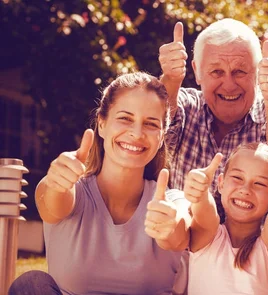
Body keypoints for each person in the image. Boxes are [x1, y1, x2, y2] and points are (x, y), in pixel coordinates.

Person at [9, 72, 188, 294]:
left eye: (151, 124)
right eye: (125, 118)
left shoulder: (171, 202)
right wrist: (55, 185)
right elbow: (52, 202)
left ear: (161, 137)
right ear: (101, 124)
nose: (136, 133)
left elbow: (180, 233)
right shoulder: (72, 190)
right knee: (31, 284)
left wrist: (170, 229)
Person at [158, 19, 268, 222]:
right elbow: (156, 118)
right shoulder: (186, 105)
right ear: (197, 71)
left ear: (257, 71)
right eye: (217, 72)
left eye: (240, 72)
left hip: (256, 251)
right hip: (184, 250)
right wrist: (171, 79)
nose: (228, 85)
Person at [183, 142, 268, 294]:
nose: (245, 190)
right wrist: (200, 193)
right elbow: (205, 214)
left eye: (260, 184)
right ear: (221, 183)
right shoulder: (206, 236)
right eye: (237, 177)